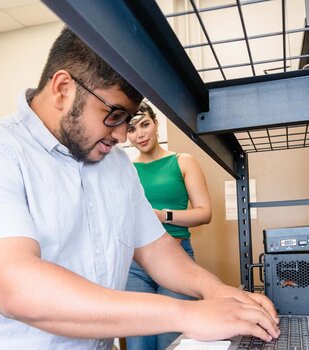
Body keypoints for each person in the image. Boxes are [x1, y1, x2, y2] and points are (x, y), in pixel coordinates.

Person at [0, 27, 280, 350]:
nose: (120, 135)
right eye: (114, 114)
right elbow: (16, 288)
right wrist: (186, 314)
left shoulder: (115, 165)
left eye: (127, 120)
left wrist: (215, 291)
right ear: (62, 89)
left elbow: (157, 249)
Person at [124, 102, 213, 350]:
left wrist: (162, 216)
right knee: (138, 342)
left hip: (176, 257)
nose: (140, 134)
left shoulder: (182, 161)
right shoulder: (126, 170)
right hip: (136, 264)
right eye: (132, 129)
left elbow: (204, 213)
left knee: (171, 341)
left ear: (156, 124)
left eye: (144, 124)